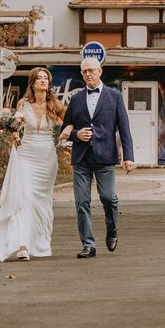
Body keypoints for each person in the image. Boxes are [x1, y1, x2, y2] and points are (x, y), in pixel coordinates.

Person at [0, 67, 69, 261]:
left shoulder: (56, 104)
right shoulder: (23, 103)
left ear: (49, 83)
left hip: (47, 158)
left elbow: (72, 120)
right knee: (24, 198)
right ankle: (23, 246)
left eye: (46, 78)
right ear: (33, 83)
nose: (43, 81)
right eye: (39, 78)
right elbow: (15, 126)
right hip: (26, 155)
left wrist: (66, 132)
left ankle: (41, 243)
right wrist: (14, 133)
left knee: (42, 202)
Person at [61, 57, 134, 259]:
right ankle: (88, 245)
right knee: (82, 202)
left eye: (91, 70)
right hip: (81, 158)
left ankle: (112, 229)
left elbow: (124, 129)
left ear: (100, 71)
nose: (88, 74)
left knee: (108, 198)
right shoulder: (75, 99)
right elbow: (65, 128)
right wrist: (77, 135)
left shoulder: (115, 96)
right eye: (84, 71)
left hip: (105, 156)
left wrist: (129, 157)